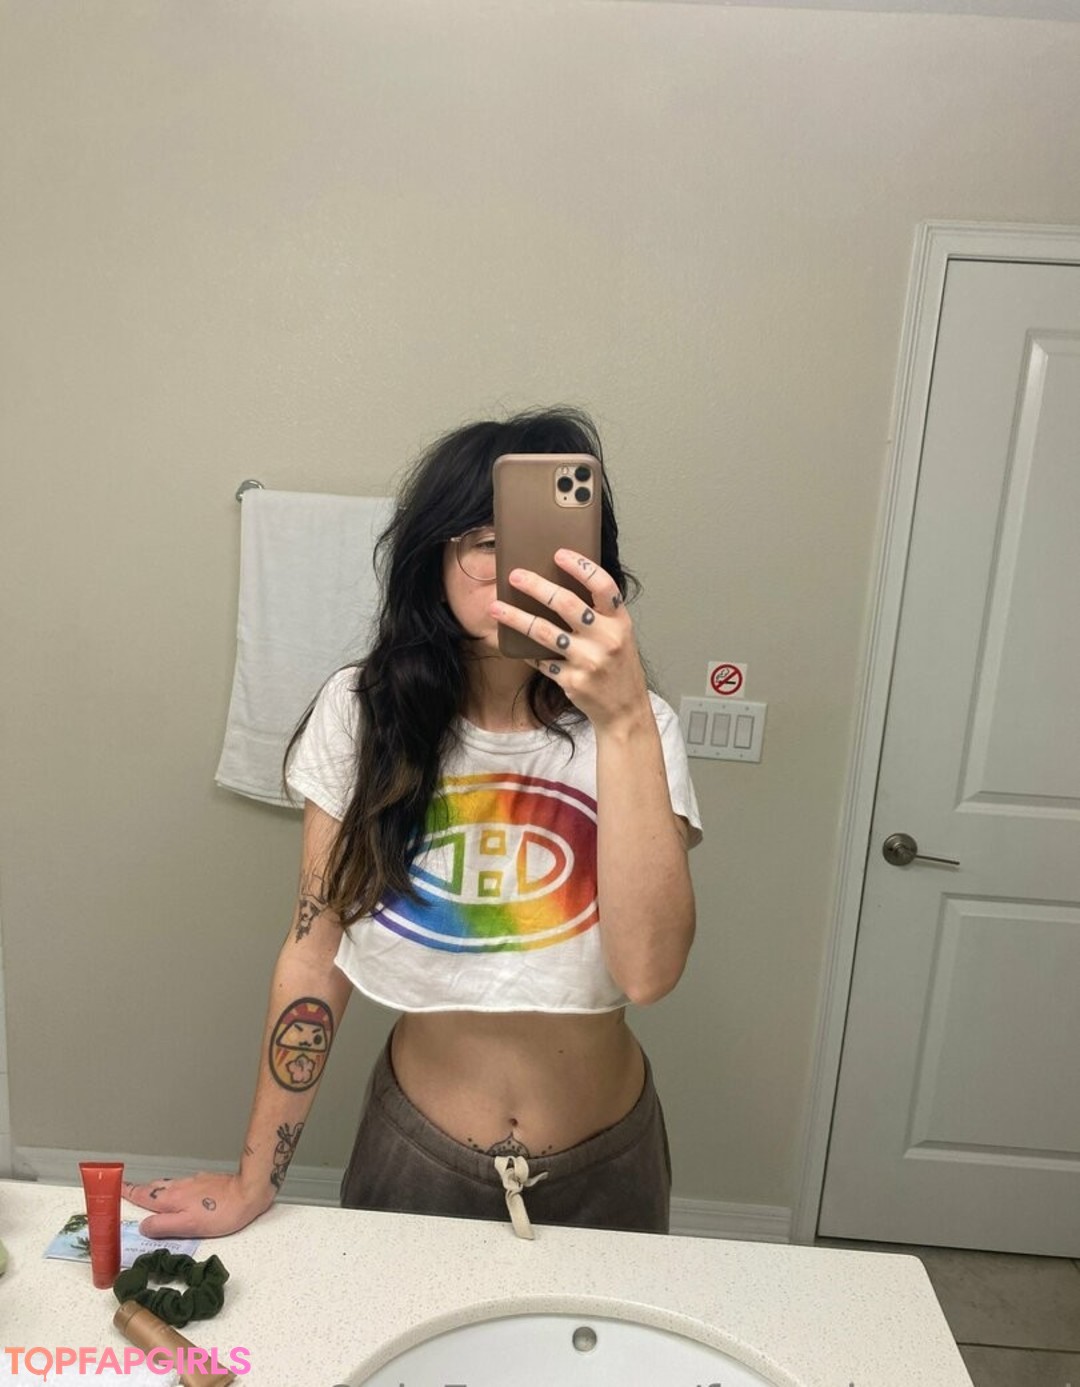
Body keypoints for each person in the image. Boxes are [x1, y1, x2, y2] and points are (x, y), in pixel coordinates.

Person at [124, 408, 701, 1241]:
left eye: (541, 541)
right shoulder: (361, 714)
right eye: (484, 540)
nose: (514, 567)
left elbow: (648, 972)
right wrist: (255, 1178)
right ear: (433, 556)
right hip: (416, 1154)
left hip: (607, 1161)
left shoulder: (640, 727)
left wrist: (624, 720)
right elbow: (315, 951)